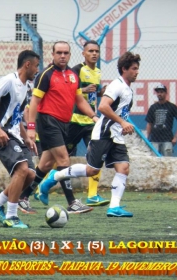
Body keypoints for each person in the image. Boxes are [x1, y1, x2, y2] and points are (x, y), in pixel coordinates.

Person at [41, 51, 141, 218]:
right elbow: (102, 107)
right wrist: (123, 122)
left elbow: (117, 112)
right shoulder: (117, 85)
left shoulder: (128, 89)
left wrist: (122, 125)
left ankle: (114, 207)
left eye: (137, 69)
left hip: (116, 136)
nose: (137, 72)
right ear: (124, 69)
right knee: (91, 171)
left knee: (123, 168)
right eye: (134, 68)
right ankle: (55, 175)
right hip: (103, 134)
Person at [26, 41, 98, 214]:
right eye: (59, 52)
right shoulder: (45, 75)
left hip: (64, 123)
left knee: (46, 164)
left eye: (65, 53)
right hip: (48, 122)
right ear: (53, 54)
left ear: (70, 55)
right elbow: (34, 102)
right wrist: (30, 126)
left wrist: (94, 116)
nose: (62, 56)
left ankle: (22, 197)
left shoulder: (74, 75)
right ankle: (72, 202)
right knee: (64, 160)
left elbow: (79, 100)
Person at [0, 50, 40, 228]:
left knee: (30, 174)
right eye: (37, 66)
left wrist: (27, 138)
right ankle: (11, 216)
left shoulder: (26, 87)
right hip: (2, 135)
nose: (38, 70)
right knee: (22, 170)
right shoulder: (9, 80)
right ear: (27, 65)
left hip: (14, 134)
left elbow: (16, 118)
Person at [67, 40, 108, 207]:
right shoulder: (77, 70)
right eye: (90, 51)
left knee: (96, 154)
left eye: (97, 51)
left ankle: (92, 194)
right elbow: (68, 89)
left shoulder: (97, 71)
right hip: (75, 120)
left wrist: (101, 92)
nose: (94, 54)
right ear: (83, 53)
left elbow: (93, 94)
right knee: (61, 156)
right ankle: (43, 186)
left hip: (92, 121)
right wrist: (83, 90)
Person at [145, 84, 177, 156]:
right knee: (154, 162)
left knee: (167, 162)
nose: (159, 94)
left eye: (162, 92)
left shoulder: (171, 106)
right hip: (154, 140)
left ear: (166, 93)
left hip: (167, 140)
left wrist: (176, 137)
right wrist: (146, 137)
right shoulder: (153, 107)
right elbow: (149, 123)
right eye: (158, 92)